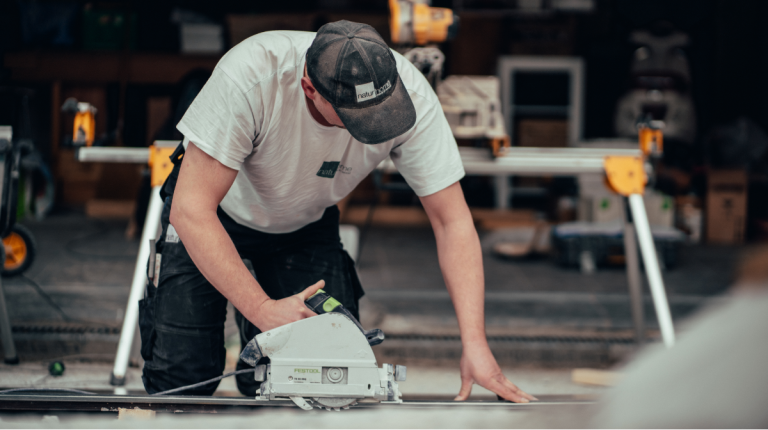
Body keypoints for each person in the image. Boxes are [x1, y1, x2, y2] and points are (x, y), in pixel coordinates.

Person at [139, 20, 536, 403]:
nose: (375, 125)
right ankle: (245, 327)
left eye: (383, 112)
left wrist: (476, 344)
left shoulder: (410, 93)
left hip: (305, 221)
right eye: (356, 118)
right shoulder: (252, 74)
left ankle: (258, 364)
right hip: (214, 214)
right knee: (182, 381)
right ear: (309, 88)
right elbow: (192, 210)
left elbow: (452, 222)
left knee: (329, 375)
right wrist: (262, 309)